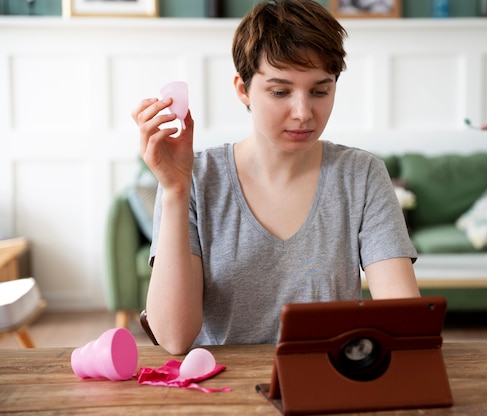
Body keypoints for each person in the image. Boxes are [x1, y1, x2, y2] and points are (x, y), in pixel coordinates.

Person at [131, 0, 420, 355]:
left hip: (328, 385)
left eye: (320, 90)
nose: (303, 113)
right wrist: (174, 191)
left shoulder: (361, 175)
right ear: (242, 89)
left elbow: (404, 319)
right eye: (280, 91)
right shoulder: (194, 179)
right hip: (223, 392)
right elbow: (175, 339)